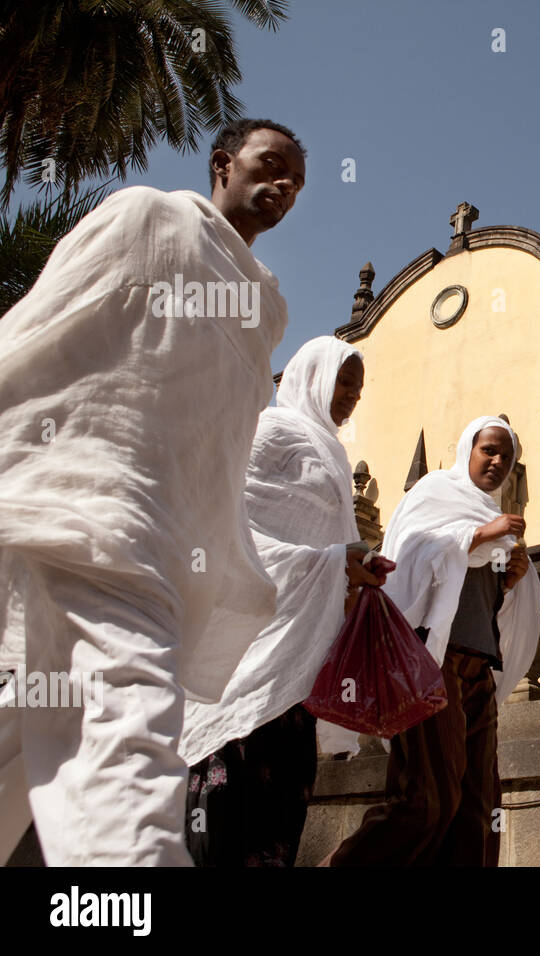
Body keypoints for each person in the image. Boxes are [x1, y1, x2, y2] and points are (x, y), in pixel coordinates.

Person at [0, 119, 306, 865]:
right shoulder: (150, 218)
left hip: (174, 546)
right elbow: (46, 328)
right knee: (129, 741)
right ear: (223, 164)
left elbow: (223, 440)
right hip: (96, 506)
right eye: (271, 166)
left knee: (27, 730)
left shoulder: (268, 309)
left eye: (297, 181)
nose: (284, 186)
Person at [180, 336, 386, 866]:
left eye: (358, 390)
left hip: (299, 670)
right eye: (344, 381)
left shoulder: (333, 455)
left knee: (278, 827)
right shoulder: (272, 431)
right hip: (248, 659)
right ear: (312, 376)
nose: (351, 396)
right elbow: (226, 522)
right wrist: (328, 561)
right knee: (224, 822)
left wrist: (353, 567)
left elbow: (329, 543)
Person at [328, 415, 540, 867]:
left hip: (478, 671)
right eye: (489, 450)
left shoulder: (492, 518)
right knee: (424, 801)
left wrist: (508, 582)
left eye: (506, 455)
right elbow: (409, 559)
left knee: (478, 809)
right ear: (469, 448)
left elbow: (474, 599)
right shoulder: (432, 495)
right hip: (430, 666)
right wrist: (479, 536)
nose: (498, 461)